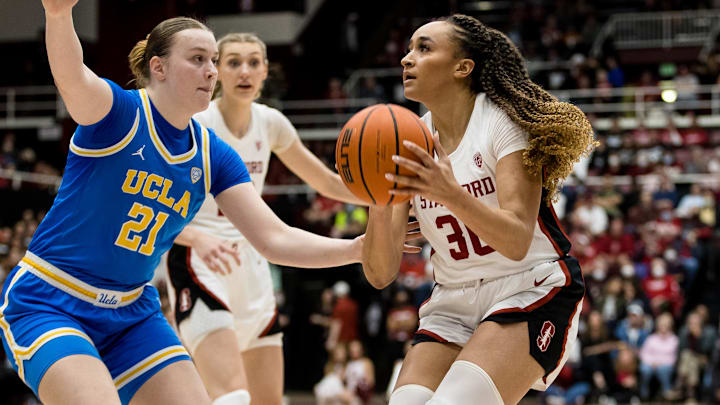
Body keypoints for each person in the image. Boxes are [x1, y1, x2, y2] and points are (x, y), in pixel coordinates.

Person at [0, 2, 370, 404]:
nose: (211, 71)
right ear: (158, 68)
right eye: (197, 60)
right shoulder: (119, 112)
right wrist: (58, 16)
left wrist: (356, 248)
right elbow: (73, 77)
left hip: (130, 313)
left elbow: (273, 239)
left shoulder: (214, 154)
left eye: (213, 60)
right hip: (52, 300)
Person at [361, 14, 595, 405]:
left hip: (529, 286)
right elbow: (381, 274)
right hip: (452, 299)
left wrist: (450, 193)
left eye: (424, 48)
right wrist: (378, 202)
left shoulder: (503, 123)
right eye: (408, 48)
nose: (406, 59)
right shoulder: (405, 139)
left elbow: (518, 239)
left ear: (462, 67)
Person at [163, 32, 366, 405]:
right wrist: (196, 239)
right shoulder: (194, 123)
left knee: (268, 401)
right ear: (217, 71)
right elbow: (152, 204)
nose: (245, 71)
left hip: (253, 261)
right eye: (233, 62)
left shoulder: (271, 123)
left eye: (254, 62)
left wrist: (388, 196)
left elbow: (326, 182)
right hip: (199, 256)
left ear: (266, 71)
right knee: (232, 397)